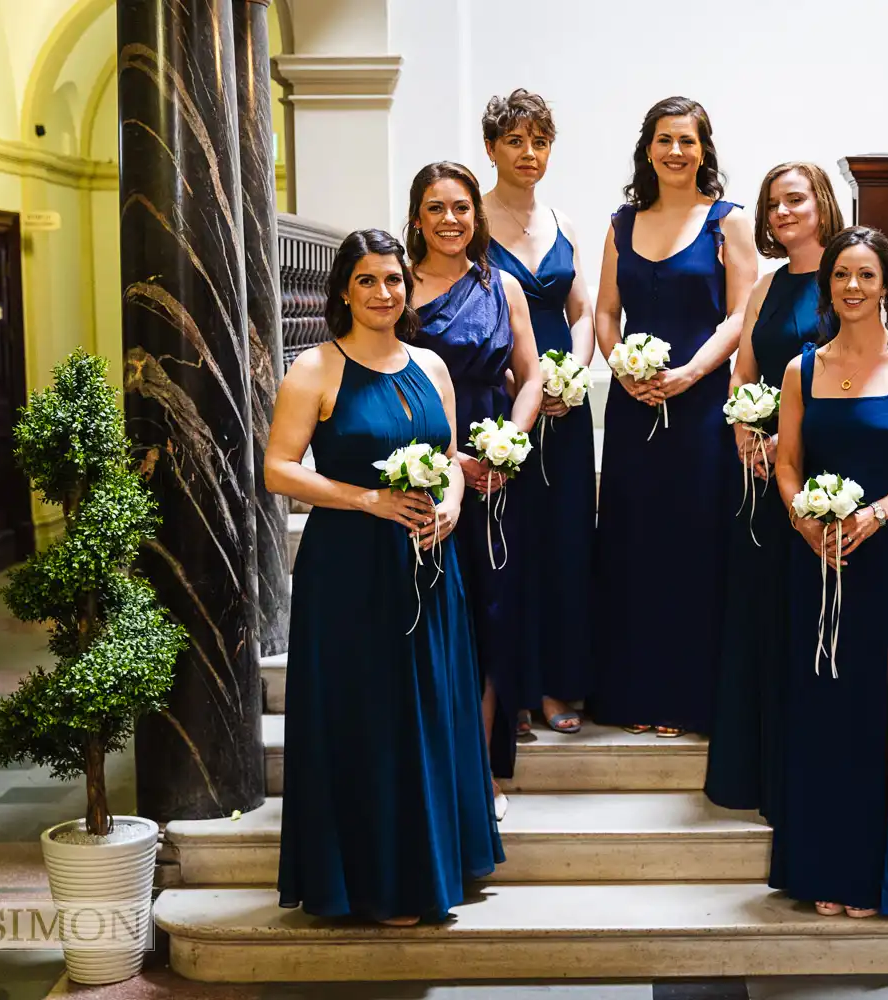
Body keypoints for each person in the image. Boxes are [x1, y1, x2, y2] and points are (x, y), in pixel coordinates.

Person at [267, 229, 502, 925]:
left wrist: (455, 504)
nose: (382, 293)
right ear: (343, 289)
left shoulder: (431, 366)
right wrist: (365, 497)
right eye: (367, 281)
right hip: (349, 570)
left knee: (429, 708)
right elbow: (277, 467)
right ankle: (374, 881)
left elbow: (453, 455)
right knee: (366, 715)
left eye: (393, 280)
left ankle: (436, 863)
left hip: (430, 564)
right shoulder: (314, 369)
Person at [768, 226, 888, 919]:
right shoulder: (800, 369)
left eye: (866, 276)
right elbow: (788, 464)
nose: (852, 287)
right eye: (841, 275)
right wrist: (802, 519)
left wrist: (877, 515)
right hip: (818, 560)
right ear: (829, 284)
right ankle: (824, 867)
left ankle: (882, 874)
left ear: (886, 286)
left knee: (883, 711)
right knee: (824, 714)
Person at [590, 96, 758, 738]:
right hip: (635, 409)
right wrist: (621, 367)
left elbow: (741, 315)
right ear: (648, 148)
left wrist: (690, 374)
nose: (676, 152)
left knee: (696, 544)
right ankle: (633, 694)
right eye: (664, 140)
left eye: (687, 141)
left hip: (702, 410)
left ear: (704, 150)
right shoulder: (620, 223)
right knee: (634, 543)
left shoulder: (728, 221)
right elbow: (607, 313)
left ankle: (692, 700)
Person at [704, 163, 843, 819]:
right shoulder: (762, 288)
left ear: (823, 204)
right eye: (773, 203)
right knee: (760, 617)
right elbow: (743, 374)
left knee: (811, 620)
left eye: (796, 199)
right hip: (760, 480)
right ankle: (753, 774)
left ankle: (809, 774)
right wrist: (743, 435)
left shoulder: (848, 278)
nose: (783, 212)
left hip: (825, 476)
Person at [406, 162, 543, 818]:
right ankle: (435, 766)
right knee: (438, 620)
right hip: (423, 468)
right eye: (437, 208)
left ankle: (484, 773)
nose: (451, 219)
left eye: (462, 207)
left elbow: (533, 375)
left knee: (493, 616)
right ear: (417, 219)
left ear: (475, 216)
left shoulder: (503, 287)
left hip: (496, 476)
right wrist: (450, 459)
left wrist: (508, 445)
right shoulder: (395, 290)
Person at [482, 89, 595, 738]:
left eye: (540, 141)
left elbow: (580, 312)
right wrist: (524, 380)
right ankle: (514, 689)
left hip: (568, 407)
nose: (530, 154)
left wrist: (574, 371)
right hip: (503, 402)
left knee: (567, 543)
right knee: (511, 545)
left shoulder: (563, 223)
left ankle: (560, 684)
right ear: (493, 147)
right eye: (517, 141)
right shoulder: (473, 225)